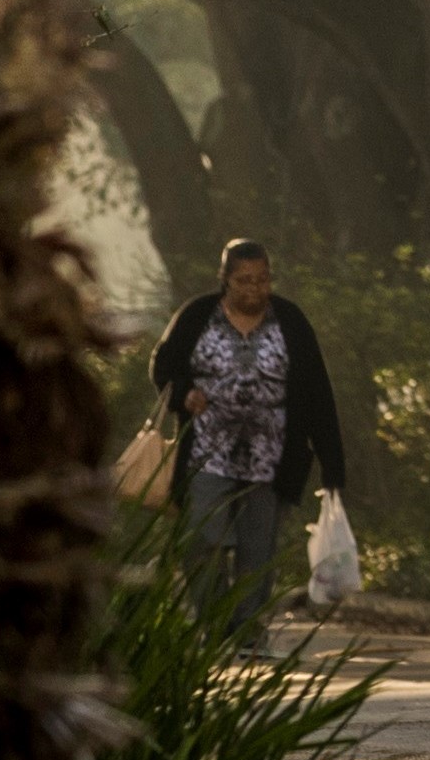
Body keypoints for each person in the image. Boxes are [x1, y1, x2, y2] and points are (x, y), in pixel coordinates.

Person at [148, 239, 347, 652]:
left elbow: (316, 392)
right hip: (207, 453)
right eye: (244, 281)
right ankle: (216, 622)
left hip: (270, 457)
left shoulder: (289, 320)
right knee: (200, 540)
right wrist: (185, 393)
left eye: (262, 280)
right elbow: (163, 364)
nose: (254, 289)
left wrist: (332, 462)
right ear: (225, 280)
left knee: (257, 552)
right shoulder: (197, 316)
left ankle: (248, 633)